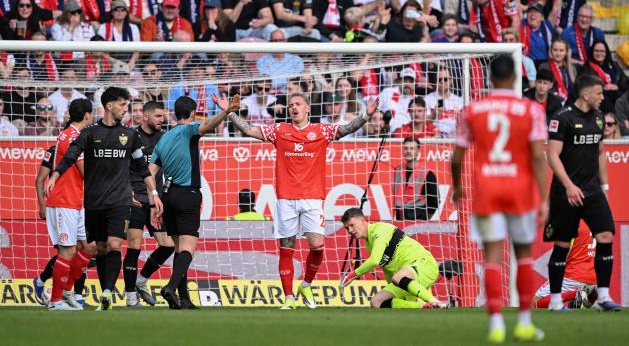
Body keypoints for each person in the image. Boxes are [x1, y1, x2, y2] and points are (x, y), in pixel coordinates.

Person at [217, 90, 378, 310]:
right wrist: (229, 112)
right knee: (286, 248)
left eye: (298, 104)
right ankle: (289, 297)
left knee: (317, 245)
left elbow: (345, 129)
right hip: (285, 199)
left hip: (312, 199)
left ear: (307, 108)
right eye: (291, 104)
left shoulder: (320, 130)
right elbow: (249, 129)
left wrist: (366, 116)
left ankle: (306, 284)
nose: (293, 107)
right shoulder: (279, 130)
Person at [451, 54, 549, 342]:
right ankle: (524, 322)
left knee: (492, 256)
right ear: (517, 78)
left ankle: (495, 325)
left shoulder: (472, 110)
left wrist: (457, 187)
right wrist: (543, 198)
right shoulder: (530, 110)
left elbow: (456, 158)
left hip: (488, 190)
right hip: (520, 190)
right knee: (523, 255)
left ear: (490, 78)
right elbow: (537, 158)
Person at [46, 87, 164, 311]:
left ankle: (108, 292)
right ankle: (101, 293)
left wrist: (154, 194)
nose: (125, 109)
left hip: (120, 201)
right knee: (99, 247)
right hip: (94, 202)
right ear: (109, 106)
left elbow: (142, 168)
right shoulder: (90, 133)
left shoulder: (130, 135)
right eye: (122, 104)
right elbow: (71, 155)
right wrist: (55, 174)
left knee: (114, 243)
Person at [148, 94, 240, 309]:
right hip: (188, 194)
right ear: (191, 114)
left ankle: (184, 299)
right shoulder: (189, 131)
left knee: (180, 250)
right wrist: (227, 111)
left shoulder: (164, 138)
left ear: (174, 113)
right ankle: (169, 288)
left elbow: (150, 172)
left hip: (167, 197)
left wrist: (154, 197)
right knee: (189, 248)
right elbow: (208, 125)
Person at [545, 74, 622, 312]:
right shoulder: (562, 118)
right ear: (586, 95)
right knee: (561, 244)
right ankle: (556, 301)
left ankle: (603, 297)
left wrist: (605, 189)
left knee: (606, 235)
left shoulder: (599, 118)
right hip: (565, 191)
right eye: (599, 93)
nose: (603, 97)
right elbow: (552, 155)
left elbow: (600, 153)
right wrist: (568, 185)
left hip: (591, 190)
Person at [122, 101, 177, 307]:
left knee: (168, 245)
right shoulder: (130, 137)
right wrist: (127, 193)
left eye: (163, 116)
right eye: (158, 116)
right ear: (145, 117)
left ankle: (141, 279)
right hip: (135, 199)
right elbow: (122, 169)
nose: (162, 120)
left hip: (156, 201)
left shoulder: (164, 138)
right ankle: (130, 296)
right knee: (134, 247)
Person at [43, 98, 95, 311]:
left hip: (75, 200)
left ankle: (66, 291)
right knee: (67, 251)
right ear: (87, 116)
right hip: (65, 201)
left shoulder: (65, 134)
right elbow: (85, 171)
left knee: (89, 246)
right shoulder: (75, 137)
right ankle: (55, 301)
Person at [339, 207, 446, 308]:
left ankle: (435, 302)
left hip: (424, 264)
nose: (350, 230)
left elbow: (374, 261)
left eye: (352, 225)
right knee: (376, 302)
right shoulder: (369, 245)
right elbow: (388, 271)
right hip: (406, 278)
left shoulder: (380, 229)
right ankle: (424, 306)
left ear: (363, 220)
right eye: (347, 228)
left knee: (398, 277)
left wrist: (351, 275)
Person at [33, 144, 91, 308]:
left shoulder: (84, 151)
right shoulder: (54, 151)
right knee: (68, 251)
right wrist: (42, 205)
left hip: (79, 205)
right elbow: (40, 179)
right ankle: (48, 285)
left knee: (84, 247)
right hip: (62, 206)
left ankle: (72, 293)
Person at [534, 221, 597, 309]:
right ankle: (592, 293)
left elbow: (564, 252)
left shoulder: (574, 220)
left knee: (535, 302)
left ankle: (576, 293)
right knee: (576, 308)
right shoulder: (596, 220)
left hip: (574, 275)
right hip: (594, 278)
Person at [392, 136, 438, 220]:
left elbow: (434, 202)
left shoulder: (428, 173)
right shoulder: (398, 170)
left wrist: (425, 220)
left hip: (418, 219)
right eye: (406, 148)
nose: (408, 151)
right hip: (400, 218)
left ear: (418, 151)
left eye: (412, 148)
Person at [580, 40, 627, 114]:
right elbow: (584, 86)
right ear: (592, 52)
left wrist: (616, 86)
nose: (599, 53)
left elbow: (626, 81)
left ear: (606, 52)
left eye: (602, 51)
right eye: (596, 51)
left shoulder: (614, 65)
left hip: (616, 97)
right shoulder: (586, 68)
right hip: (599, 100)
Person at [425, 66, 464, 138]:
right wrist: (435, 113)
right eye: (439, 80)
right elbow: (423, 123)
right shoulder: (427, 99)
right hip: (434, 137)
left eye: (445, 79)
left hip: (454, 138)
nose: (442, 82)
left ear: (451, 80)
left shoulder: (459, 101)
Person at [538, 38, 578, 102]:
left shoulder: (572, 68)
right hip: (551, 102)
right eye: (555, 50)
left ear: (566, 52)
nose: (558, 53)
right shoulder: (544, 67)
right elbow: (543, 89)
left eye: (561, 50)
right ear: (551, 51)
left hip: (570, 102)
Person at [379, 67, 417, 131]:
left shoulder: (416, 99)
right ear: (399, 81)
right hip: (387, 131)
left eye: (410, 81)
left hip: (408, 133)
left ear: (414, 84)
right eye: (405, 81)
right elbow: (376, 109)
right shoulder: (387, 92)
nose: (407, 84)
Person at [520, 3, 554, 68]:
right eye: (530, 11)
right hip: (526, 64)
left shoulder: (547, 26)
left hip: (544, 64)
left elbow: (556, 9)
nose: (532, 14)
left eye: (536, 12)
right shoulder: (522, 24)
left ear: (542, 17)